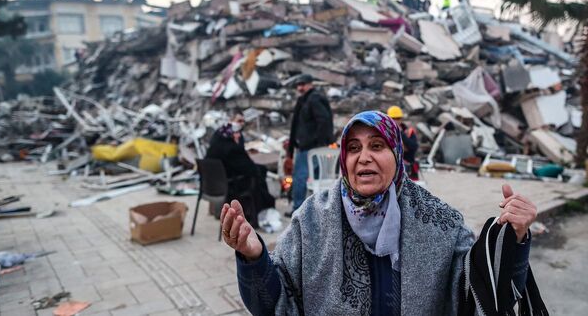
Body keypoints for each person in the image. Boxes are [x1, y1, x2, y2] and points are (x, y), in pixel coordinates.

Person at [220, 111, 547, 315]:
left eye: (377, 146)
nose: (363, 158)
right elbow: (272, 303)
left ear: (397, 154)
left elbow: (480, 293)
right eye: (353, 148)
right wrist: (254, 256)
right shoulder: (312, 220)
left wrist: (512, 238)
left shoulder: (439, 220)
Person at [205, 111, 275, 228]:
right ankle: (254, 213)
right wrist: (237, 143)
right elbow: (235, 156)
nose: (241, 124)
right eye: (238, 121)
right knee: (256, 174)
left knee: (259, 170)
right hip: (228, 180)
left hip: (216, 180)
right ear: (231, 120)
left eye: (243, 121)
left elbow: (239, 158)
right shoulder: (227, 137)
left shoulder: (222, 133)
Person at [284, 74, 334, 217]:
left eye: (303, 84)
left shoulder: (314, 99)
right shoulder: (304, 100)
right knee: (316, 179)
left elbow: (323, 121)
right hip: (309, 147)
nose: (300, 87)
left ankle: (298, 209)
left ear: (310, 84)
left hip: (309, 148)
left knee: (300, 177)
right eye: (298, 85)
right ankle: (317, 209)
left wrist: (317, 142)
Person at [387, 106, 419, 180]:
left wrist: (401, 133)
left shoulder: (409, 132)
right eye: (393, 119)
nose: (395, 121)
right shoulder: (385, 133)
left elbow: (413, 147)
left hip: (409, 169)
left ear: (401, 119)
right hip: (392, 170)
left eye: (397, 118)